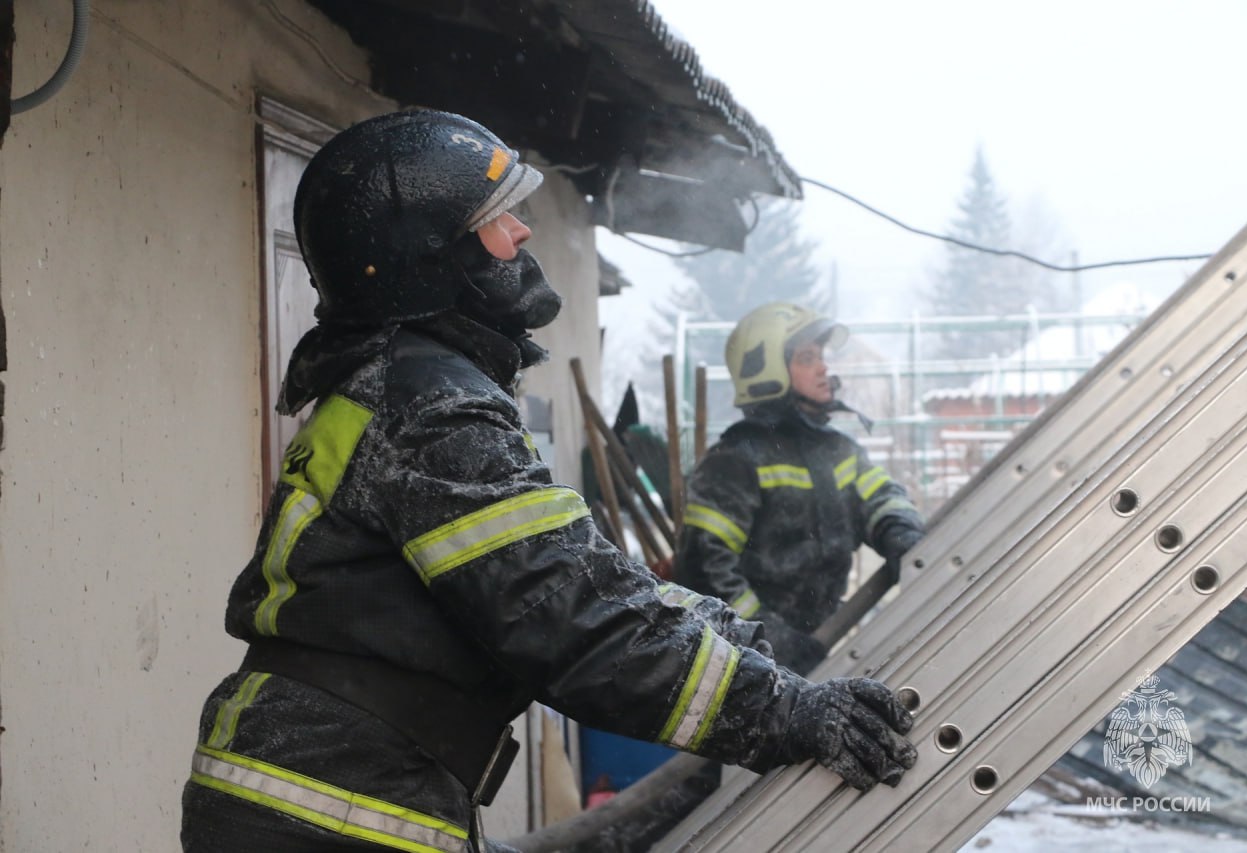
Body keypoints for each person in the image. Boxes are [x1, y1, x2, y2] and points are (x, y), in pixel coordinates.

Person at [179, 109, 918, 853]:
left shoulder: (405, 388)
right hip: (327, 810)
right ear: (428, 254)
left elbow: (596, 583)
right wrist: (780, 710)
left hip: (323, 794)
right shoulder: (431, 410)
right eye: (496, 218)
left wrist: (756, 653)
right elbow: (572, 617)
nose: (523, 233)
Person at [676, 302, 927, 676]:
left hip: (820, 644)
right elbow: (704, 570)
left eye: (821, 356)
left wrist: (901, 533)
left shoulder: (835, 450)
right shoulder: (734, 461)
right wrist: (768, 637)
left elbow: (881, 496)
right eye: (808, 358)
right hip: (750, 666)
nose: (823, 368)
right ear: (768, 371)